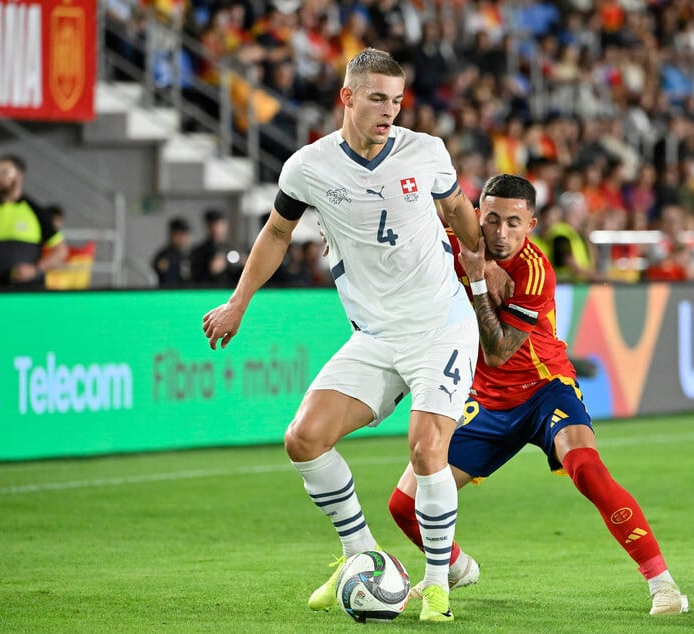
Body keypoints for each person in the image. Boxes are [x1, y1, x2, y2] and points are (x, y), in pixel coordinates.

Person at [201, 48, 482, 623]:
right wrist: (238, 303)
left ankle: (434, 587)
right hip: (375, 335)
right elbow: (276, 234)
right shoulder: (307, 167)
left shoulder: (426, 151)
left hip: (439, 326)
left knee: (427, 449)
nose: (390, 111)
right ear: (346, 98)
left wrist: (485, 260)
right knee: (303, 438)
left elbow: (457, 210)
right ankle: (361, 556)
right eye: (377, 98)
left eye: (397, 100)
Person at [388, 174, 689, 616]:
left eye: (514, 222)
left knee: (586, 468)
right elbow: (409, 215)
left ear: (530, 224)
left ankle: (664, 586)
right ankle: (453, 566)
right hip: (487, 401)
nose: (501, 233)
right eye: (491, 220)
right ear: (477, 216)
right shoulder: (451, 240)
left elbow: (497, 351)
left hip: (544, 388)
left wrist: (476, 278)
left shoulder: (535, 270)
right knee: (404, 505)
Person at [0, 155, 68, 288]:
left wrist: (35, 269)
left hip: (28, 291)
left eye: (6, 172)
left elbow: (61, 250)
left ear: (19, 176)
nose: (0, 178)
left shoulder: (35, 211)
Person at [190, 208, 245, 286]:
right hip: (208, 293)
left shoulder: (235, 249)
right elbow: (193, 281)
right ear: (207, 227)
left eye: (219, 225)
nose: (216, 229)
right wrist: (211, 271)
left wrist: (245, 268)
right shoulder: (198, 252)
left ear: (225, 225)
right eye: (212, 226)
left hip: (231, 292)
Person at [152, 217, 193, 287]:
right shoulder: (163, 256)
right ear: (172, 235)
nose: (183, 238)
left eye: (185, 234)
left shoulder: (193, 254)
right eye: (179, 234)